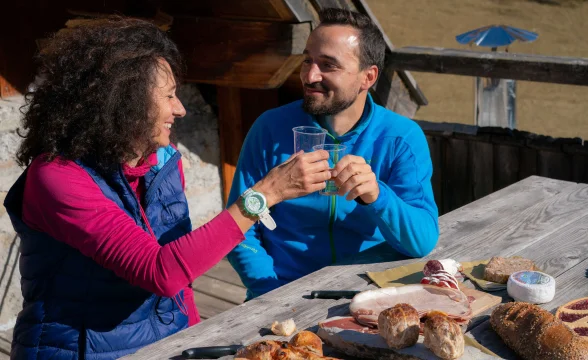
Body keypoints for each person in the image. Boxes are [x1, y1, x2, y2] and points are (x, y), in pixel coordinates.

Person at [3, 17, 331, 360]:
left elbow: (180, 276)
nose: (181, 109)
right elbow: (160, 271)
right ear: (123, 102)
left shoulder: (161, 161)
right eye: (169, 96)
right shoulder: (57, 178)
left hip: (160, 344)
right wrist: (264, 195)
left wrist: (193, 337)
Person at [227, 8, 440, 301]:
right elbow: (239, 228)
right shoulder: (270, 128)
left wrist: (378, 195)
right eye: (307, 61)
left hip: (365, 294)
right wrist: (270, 294)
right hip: (279, 289)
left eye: (328, 65)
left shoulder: (401, 138)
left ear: (368, 77)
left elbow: (422, 240)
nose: (310, 75)